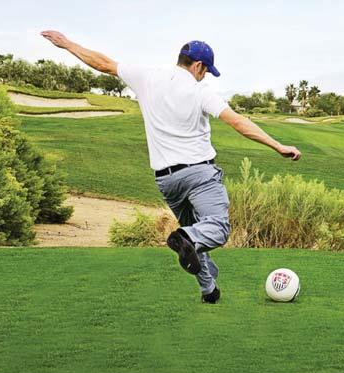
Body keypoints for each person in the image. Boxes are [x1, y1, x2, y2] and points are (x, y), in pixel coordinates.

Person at [41, 31, 301, 304]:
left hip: (167, 181)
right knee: (216, 228)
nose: (205, 77)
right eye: (206, 71)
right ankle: (182, 237)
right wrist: (279, 146)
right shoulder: (201, 91)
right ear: (198, 66)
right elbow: (238, 122)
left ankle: (208, 290)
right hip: (200, 175)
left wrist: (67, 44)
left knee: (193, 240)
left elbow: (102, 63)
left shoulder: (147, 76)